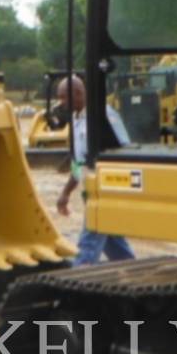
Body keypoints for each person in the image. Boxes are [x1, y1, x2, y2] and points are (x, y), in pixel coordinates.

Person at [54, 75, 135, 265]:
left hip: (106, 191)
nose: (61, 103)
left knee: (87, 247)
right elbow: (79, 161)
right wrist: (66, 192)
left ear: (79, 93)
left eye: (65, 97)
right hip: (90, 190)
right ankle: (134, 276)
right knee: (116, 246)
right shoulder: (76, 119)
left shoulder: (104, 116)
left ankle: (73, 288)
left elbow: (124, 151)